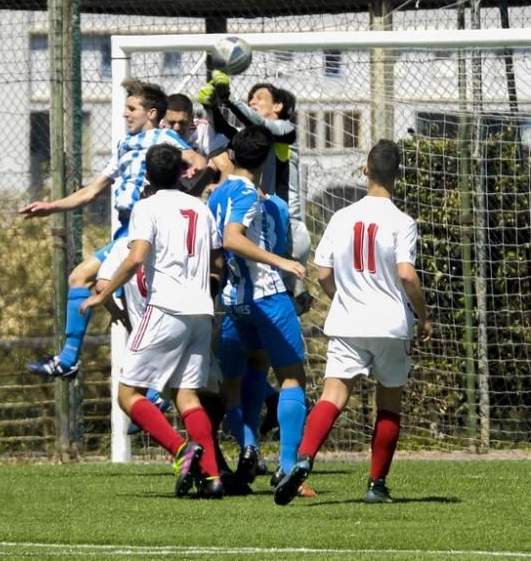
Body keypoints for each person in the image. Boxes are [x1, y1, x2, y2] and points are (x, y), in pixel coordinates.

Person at [274, 139, 433, 506]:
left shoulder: (341, 217)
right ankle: (376, 485)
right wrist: (423, 317)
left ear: (365, 170)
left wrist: (342, 298)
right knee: (389, 402)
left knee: (333, 395)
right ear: (399, 175)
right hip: (390, 324)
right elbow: (407, 275)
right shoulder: (402, 221)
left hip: (347, 321)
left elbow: (324, 270)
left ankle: (304, 459)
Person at [19, 78, 206, 379]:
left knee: (110, 289)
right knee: (82, 280)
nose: (125, 114)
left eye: (132, 108)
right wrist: (50, 206)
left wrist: (196, 165)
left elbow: (195, 157)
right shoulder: (124, 145)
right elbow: (92, 191)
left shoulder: (163, 139)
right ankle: (70, 361)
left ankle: (151, 375)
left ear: (152, 113)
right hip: (125, 233)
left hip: (146, 234)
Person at [80, 143, 225, 499]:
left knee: (128, 395)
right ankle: (212, 478)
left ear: (147, 175)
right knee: (187, 396)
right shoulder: (200, 207)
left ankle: (181, 451)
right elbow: (218, 259)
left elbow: (135, 258)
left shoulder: (146, 207)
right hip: (201, 311)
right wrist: (211, 289)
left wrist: (103, 293)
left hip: (165, 309)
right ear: (180, 173)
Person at [207, 125, 312, 496]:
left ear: (232, 155)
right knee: (292, 378)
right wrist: (279, 261)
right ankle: (287, 470)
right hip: (267, 296)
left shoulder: (216, 196)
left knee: (240, 379)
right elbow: (234, 237)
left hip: (234, 301)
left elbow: (217, 246)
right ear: (266, 159)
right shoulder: (259, 199)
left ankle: (248, 446)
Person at [200, 74, 312, 315]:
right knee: (258, 303)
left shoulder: (285, 131)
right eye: (250, 98)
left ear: (278, 106)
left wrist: (229, 101)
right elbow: (228, 131)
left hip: (288, 229)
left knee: (274, 304)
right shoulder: (255, 137)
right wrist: (211, 107)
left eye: (259, 98)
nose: (252, 101)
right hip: (262, 226)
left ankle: (296, 305)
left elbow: (262, 126)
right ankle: (295, 304)